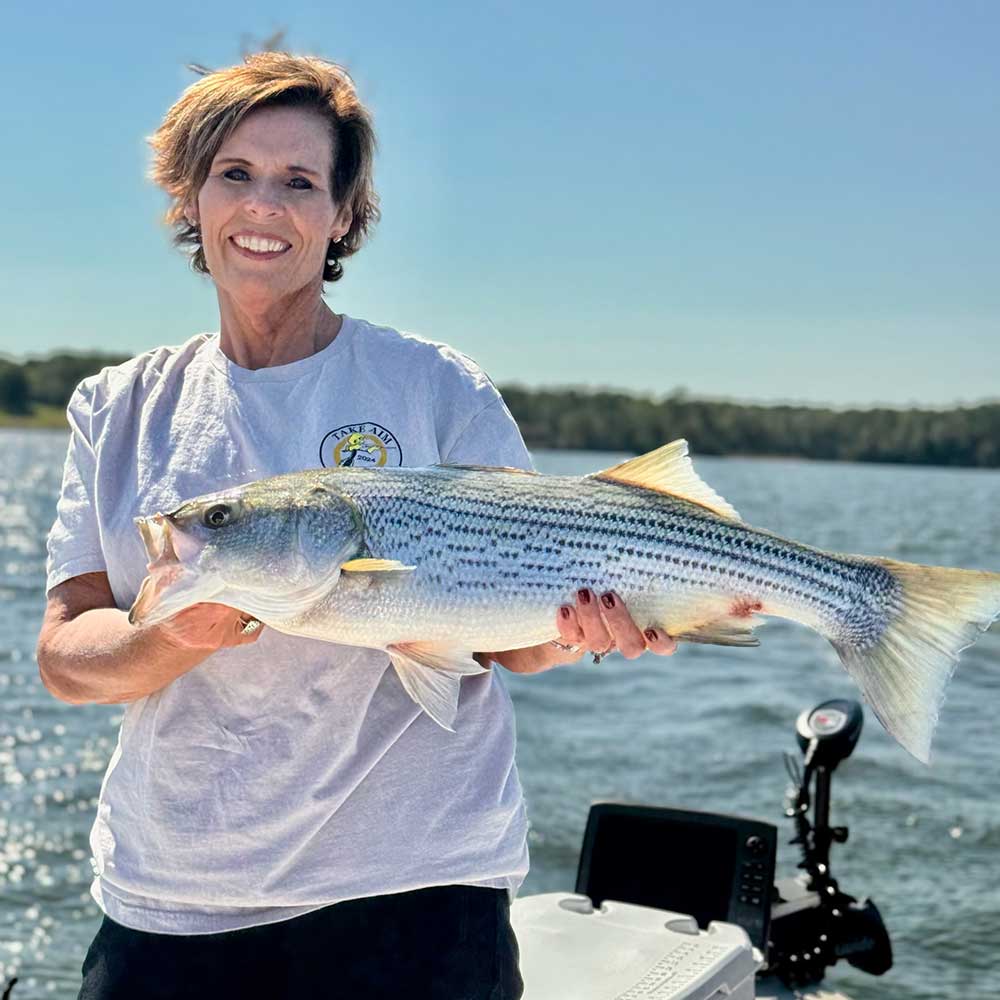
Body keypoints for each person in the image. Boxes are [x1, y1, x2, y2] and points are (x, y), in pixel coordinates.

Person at [36, 52, 676, 999]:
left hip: (419, 899)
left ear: (343, 215)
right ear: (191, 197)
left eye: (300, 182)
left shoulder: (433, 384)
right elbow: (65, 657)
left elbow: (514, 644)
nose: (263, 206)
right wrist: (169, 637)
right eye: (234, 173)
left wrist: (581, 629)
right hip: (172, 904)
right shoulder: (117, 405)